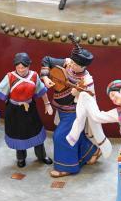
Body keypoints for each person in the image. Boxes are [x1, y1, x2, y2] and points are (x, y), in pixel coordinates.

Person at [41, 43, 101, 178]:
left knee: (61, 137)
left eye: (76, 65)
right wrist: (45, 77)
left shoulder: (86, 81)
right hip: (60, 109)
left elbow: (88, 100)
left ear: (84, 66)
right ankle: (92, 152)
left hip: (73, 113)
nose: (72, 66)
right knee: (76, 135)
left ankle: (66, 167)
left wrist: (77, 94)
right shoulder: (67, 63)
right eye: (72, 62)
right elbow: (46, 60)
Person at [0, 53, 53, 168]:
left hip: (30, 109)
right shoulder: (10, 77)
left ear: (28, 66)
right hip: (15, 110)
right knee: (18, 134)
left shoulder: (34, 75)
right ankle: (21, 157)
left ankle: (41, 155)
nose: (21, 70)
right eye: (18, 67)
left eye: (23, 67)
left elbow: (42, 90)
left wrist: (47, 104)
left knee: (36, 131)